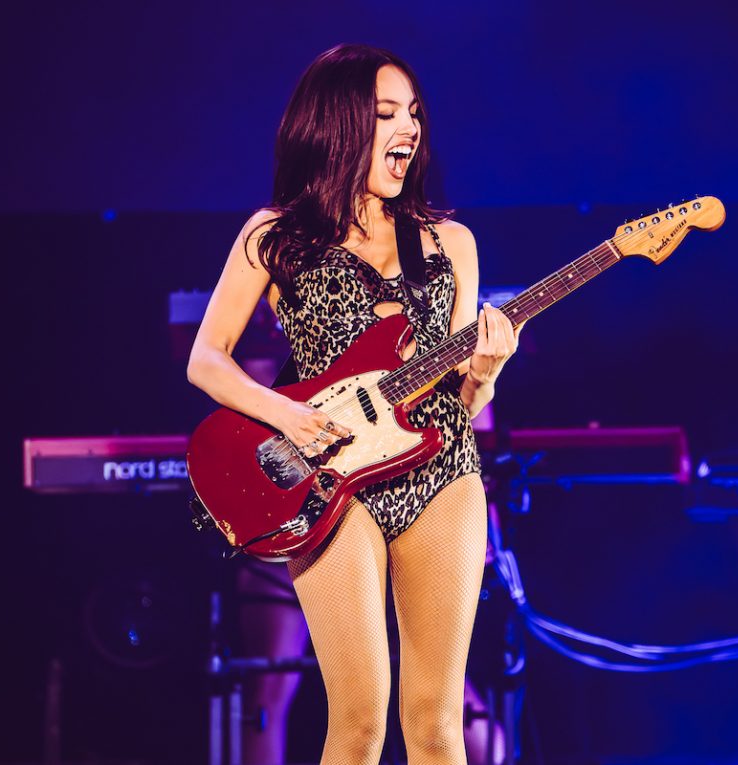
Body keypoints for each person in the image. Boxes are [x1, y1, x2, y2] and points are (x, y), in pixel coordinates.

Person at [187, 43, 520, 765]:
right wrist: (286, 415)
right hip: (332, 477)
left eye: (414, 114)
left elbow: (462, 399)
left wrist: (487, 373)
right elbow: (205, 358)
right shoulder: (274, 235)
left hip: (442, 469)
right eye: (386, 113)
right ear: (338, 123)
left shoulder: (450, 242)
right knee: (360, 721)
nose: (409, 129)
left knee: (437, 724)